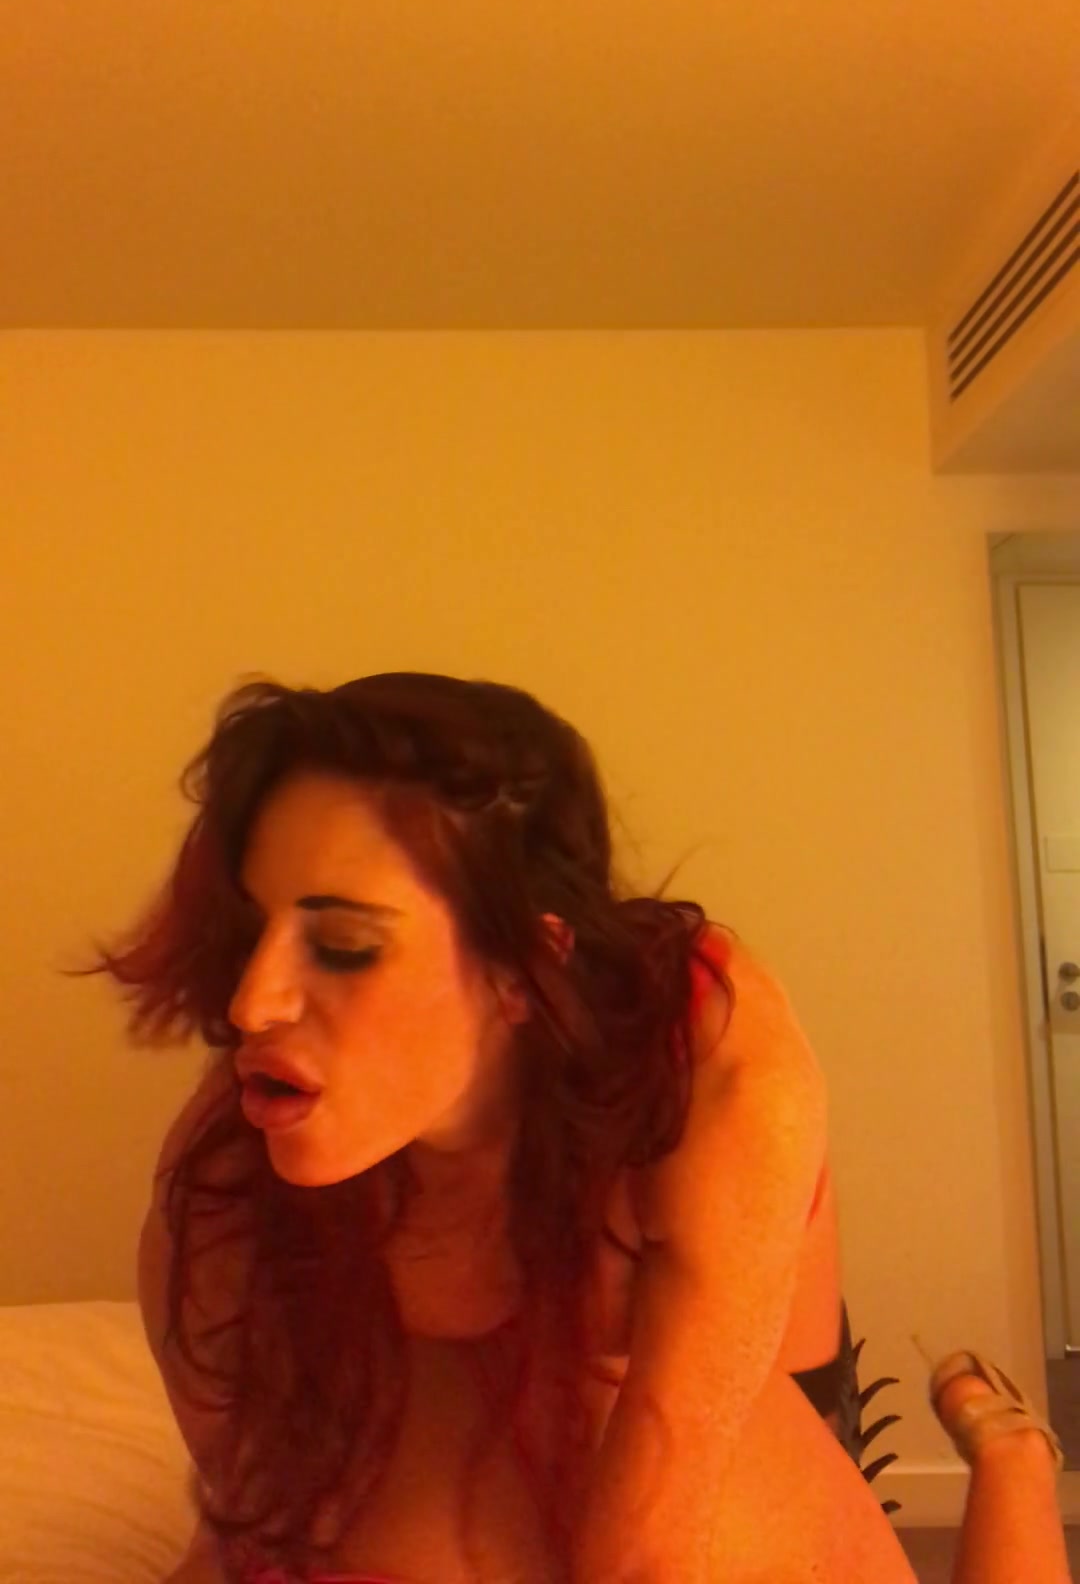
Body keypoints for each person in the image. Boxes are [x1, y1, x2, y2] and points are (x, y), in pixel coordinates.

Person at [82, 671, 1069, 1582]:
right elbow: (250, 1519)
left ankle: (1014, 1453)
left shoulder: (713, 1071)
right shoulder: (223, 1185)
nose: (252, 1003)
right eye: (252, 929)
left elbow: (647, 1544)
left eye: (342, 944)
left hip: (738, 1330)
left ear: (522, 969)